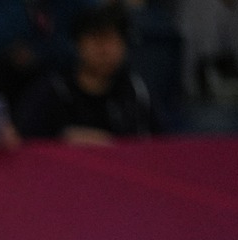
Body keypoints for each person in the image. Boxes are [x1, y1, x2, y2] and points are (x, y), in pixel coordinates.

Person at [16, 4, 160, 142]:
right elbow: (23, 139)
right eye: (96, 40)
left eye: (112, 40)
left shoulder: (136, 90)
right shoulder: (53, 91)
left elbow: (163, 140)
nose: (104, 50)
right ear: (78, 44)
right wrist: (63, 138)